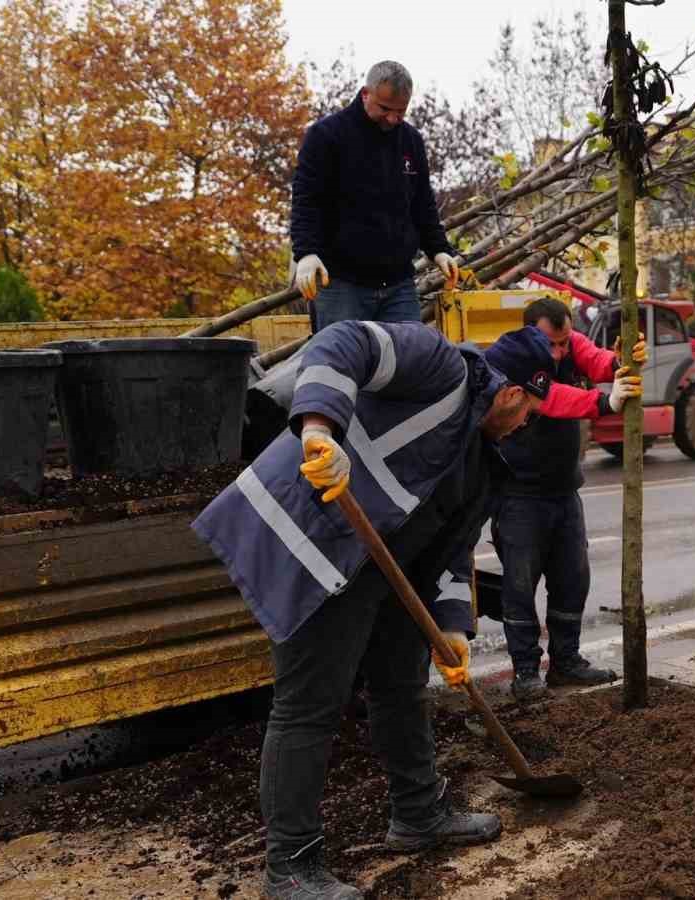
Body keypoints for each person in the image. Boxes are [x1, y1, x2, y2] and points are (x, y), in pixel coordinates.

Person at [193, 322, 557, 899]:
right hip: (318, 544)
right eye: (530, 413)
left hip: (382, 573)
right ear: (514, 395)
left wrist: (453, 628)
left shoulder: (480, 462)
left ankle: (418, 814)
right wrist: (320, 430)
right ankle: (290, 865)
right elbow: (344, 340)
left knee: (401, 684)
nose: (524, 427)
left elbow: (454, 553)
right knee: (309, 706)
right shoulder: (439, 368)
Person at [494, 297, 645, 701]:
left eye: (564, 343)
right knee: (520, 588)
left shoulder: (568, 343)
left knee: (572, 579)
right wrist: (603, 402)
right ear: (531, 335)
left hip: (564, 491)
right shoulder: (515, 358)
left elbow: (595, 359)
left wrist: (621, 362)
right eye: (553, 345)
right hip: (519, 496)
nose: (560, 352)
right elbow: (554, 399)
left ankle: (566, 662)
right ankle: (526, 673)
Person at [290, 60, 459, 331]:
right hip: (340, 283)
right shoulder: (326, 136)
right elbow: (306, 201)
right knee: (343, 364)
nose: (392, 118)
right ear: (365, 94)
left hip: (398, 285)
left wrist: (438, 249)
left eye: (400, 112)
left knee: (407, 361)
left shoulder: (411, 141)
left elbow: (422, 204)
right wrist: (306, 253)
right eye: (384, 109)